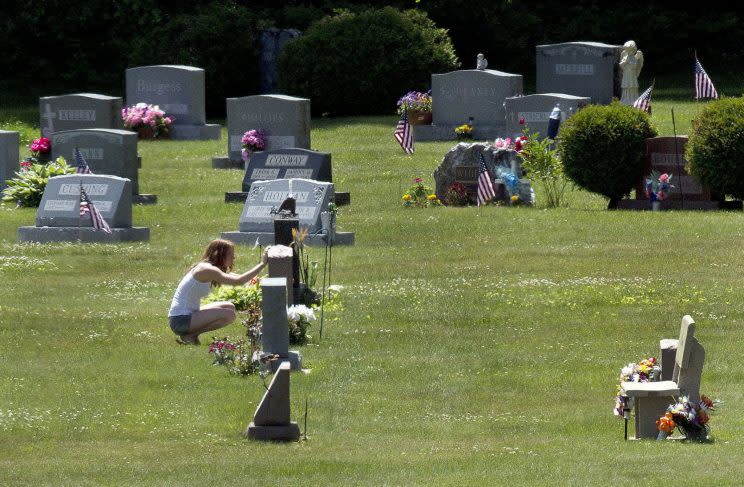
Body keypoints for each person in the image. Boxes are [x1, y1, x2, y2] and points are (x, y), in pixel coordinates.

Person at [168, 239, 269, 344]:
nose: (233, 257)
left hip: (186, 316)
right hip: (181, 320)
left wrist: (256, 280)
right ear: (219, 254)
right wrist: (262, 263)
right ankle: (190, 335)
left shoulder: (209, 268)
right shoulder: (207, 269)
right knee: (229, 315)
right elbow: (238, 281)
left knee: (229, 306)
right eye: (230, 254)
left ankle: (191, 334)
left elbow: (239, 278)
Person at [619, 40, 643, 105]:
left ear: (634, 50)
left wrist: (636, 58)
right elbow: (620, 65)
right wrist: (626, 61)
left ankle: (634, 99)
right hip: (626, 74)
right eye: (628, 50)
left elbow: (637, 66)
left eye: (631, 50)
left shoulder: (635, 58)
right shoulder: (625, 56)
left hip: (632, 74)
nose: (630, 52)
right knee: (626, 86)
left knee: (633, 86)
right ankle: (626, 99)